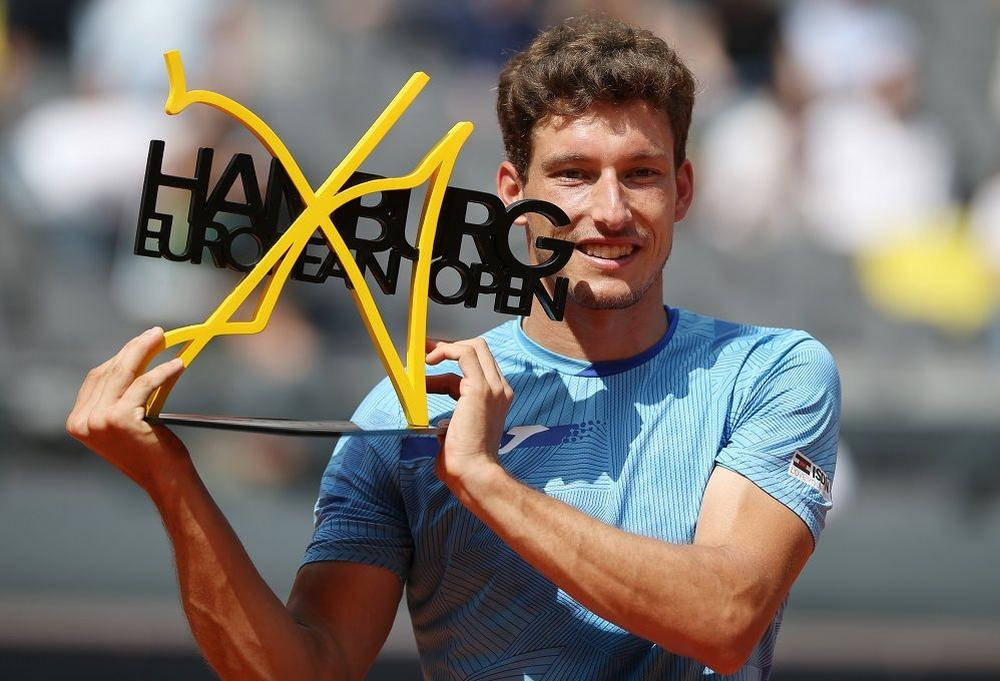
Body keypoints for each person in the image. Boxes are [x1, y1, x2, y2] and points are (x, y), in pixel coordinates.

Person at [66, 15, 840, 681]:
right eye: (573, 175)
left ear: (684, 189)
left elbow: (726, 613)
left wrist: (484, 479)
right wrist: (171, 483)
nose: (610, 211)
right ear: (512, 192)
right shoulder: (408, 406)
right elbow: (309, 666)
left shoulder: (770, 372)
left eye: (640, 175)